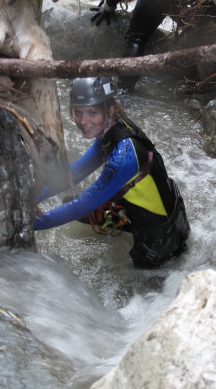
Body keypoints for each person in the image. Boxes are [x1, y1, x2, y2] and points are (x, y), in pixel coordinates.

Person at [34, 76, 190, 268]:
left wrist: (33, 224)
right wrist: (33, 197)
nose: (83, 121)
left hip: (160, 238)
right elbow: (77, 171)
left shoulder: (125, 154)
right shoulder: (113, 129)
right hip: (160, 214)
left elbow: (83, 204)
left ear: (110, 110)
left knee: (138, 280)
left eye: (92, 112)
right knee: (71, 205)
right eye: (77, 112)